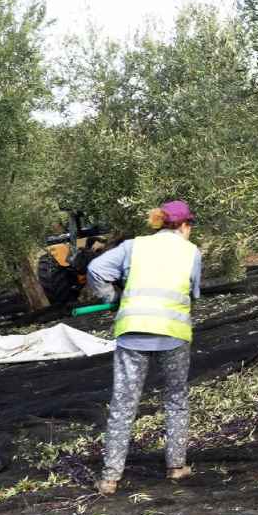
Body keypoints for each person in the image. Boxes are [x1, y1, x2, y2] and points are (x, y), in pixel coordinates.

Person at [87, 200, 202, 495]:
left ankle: (110, 478)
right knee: (176, 400)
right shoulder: (191, 252)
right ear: (185, 225)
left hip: (132, 333)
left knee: (124, 404)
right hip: (173, 334)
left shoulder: (132, 246)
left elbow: (95, 269)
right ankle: (176, 467)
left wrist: (113, 297)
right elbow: (193, 292)